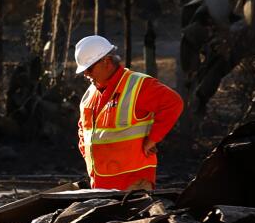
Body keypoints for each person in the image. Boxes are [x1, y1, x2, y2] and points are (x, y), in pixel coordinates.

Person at [73, 35, 183, 191]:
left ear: (106, 61)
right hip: (100, 183)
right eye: (84, 70)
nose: (86, 74)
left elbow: (173, 103)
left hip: (133, 183)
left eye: (89, 68)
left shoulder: (139, 85)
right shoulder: (90, 94)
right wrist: (88, 154)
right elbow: (83, 129)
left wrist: (153, 139)